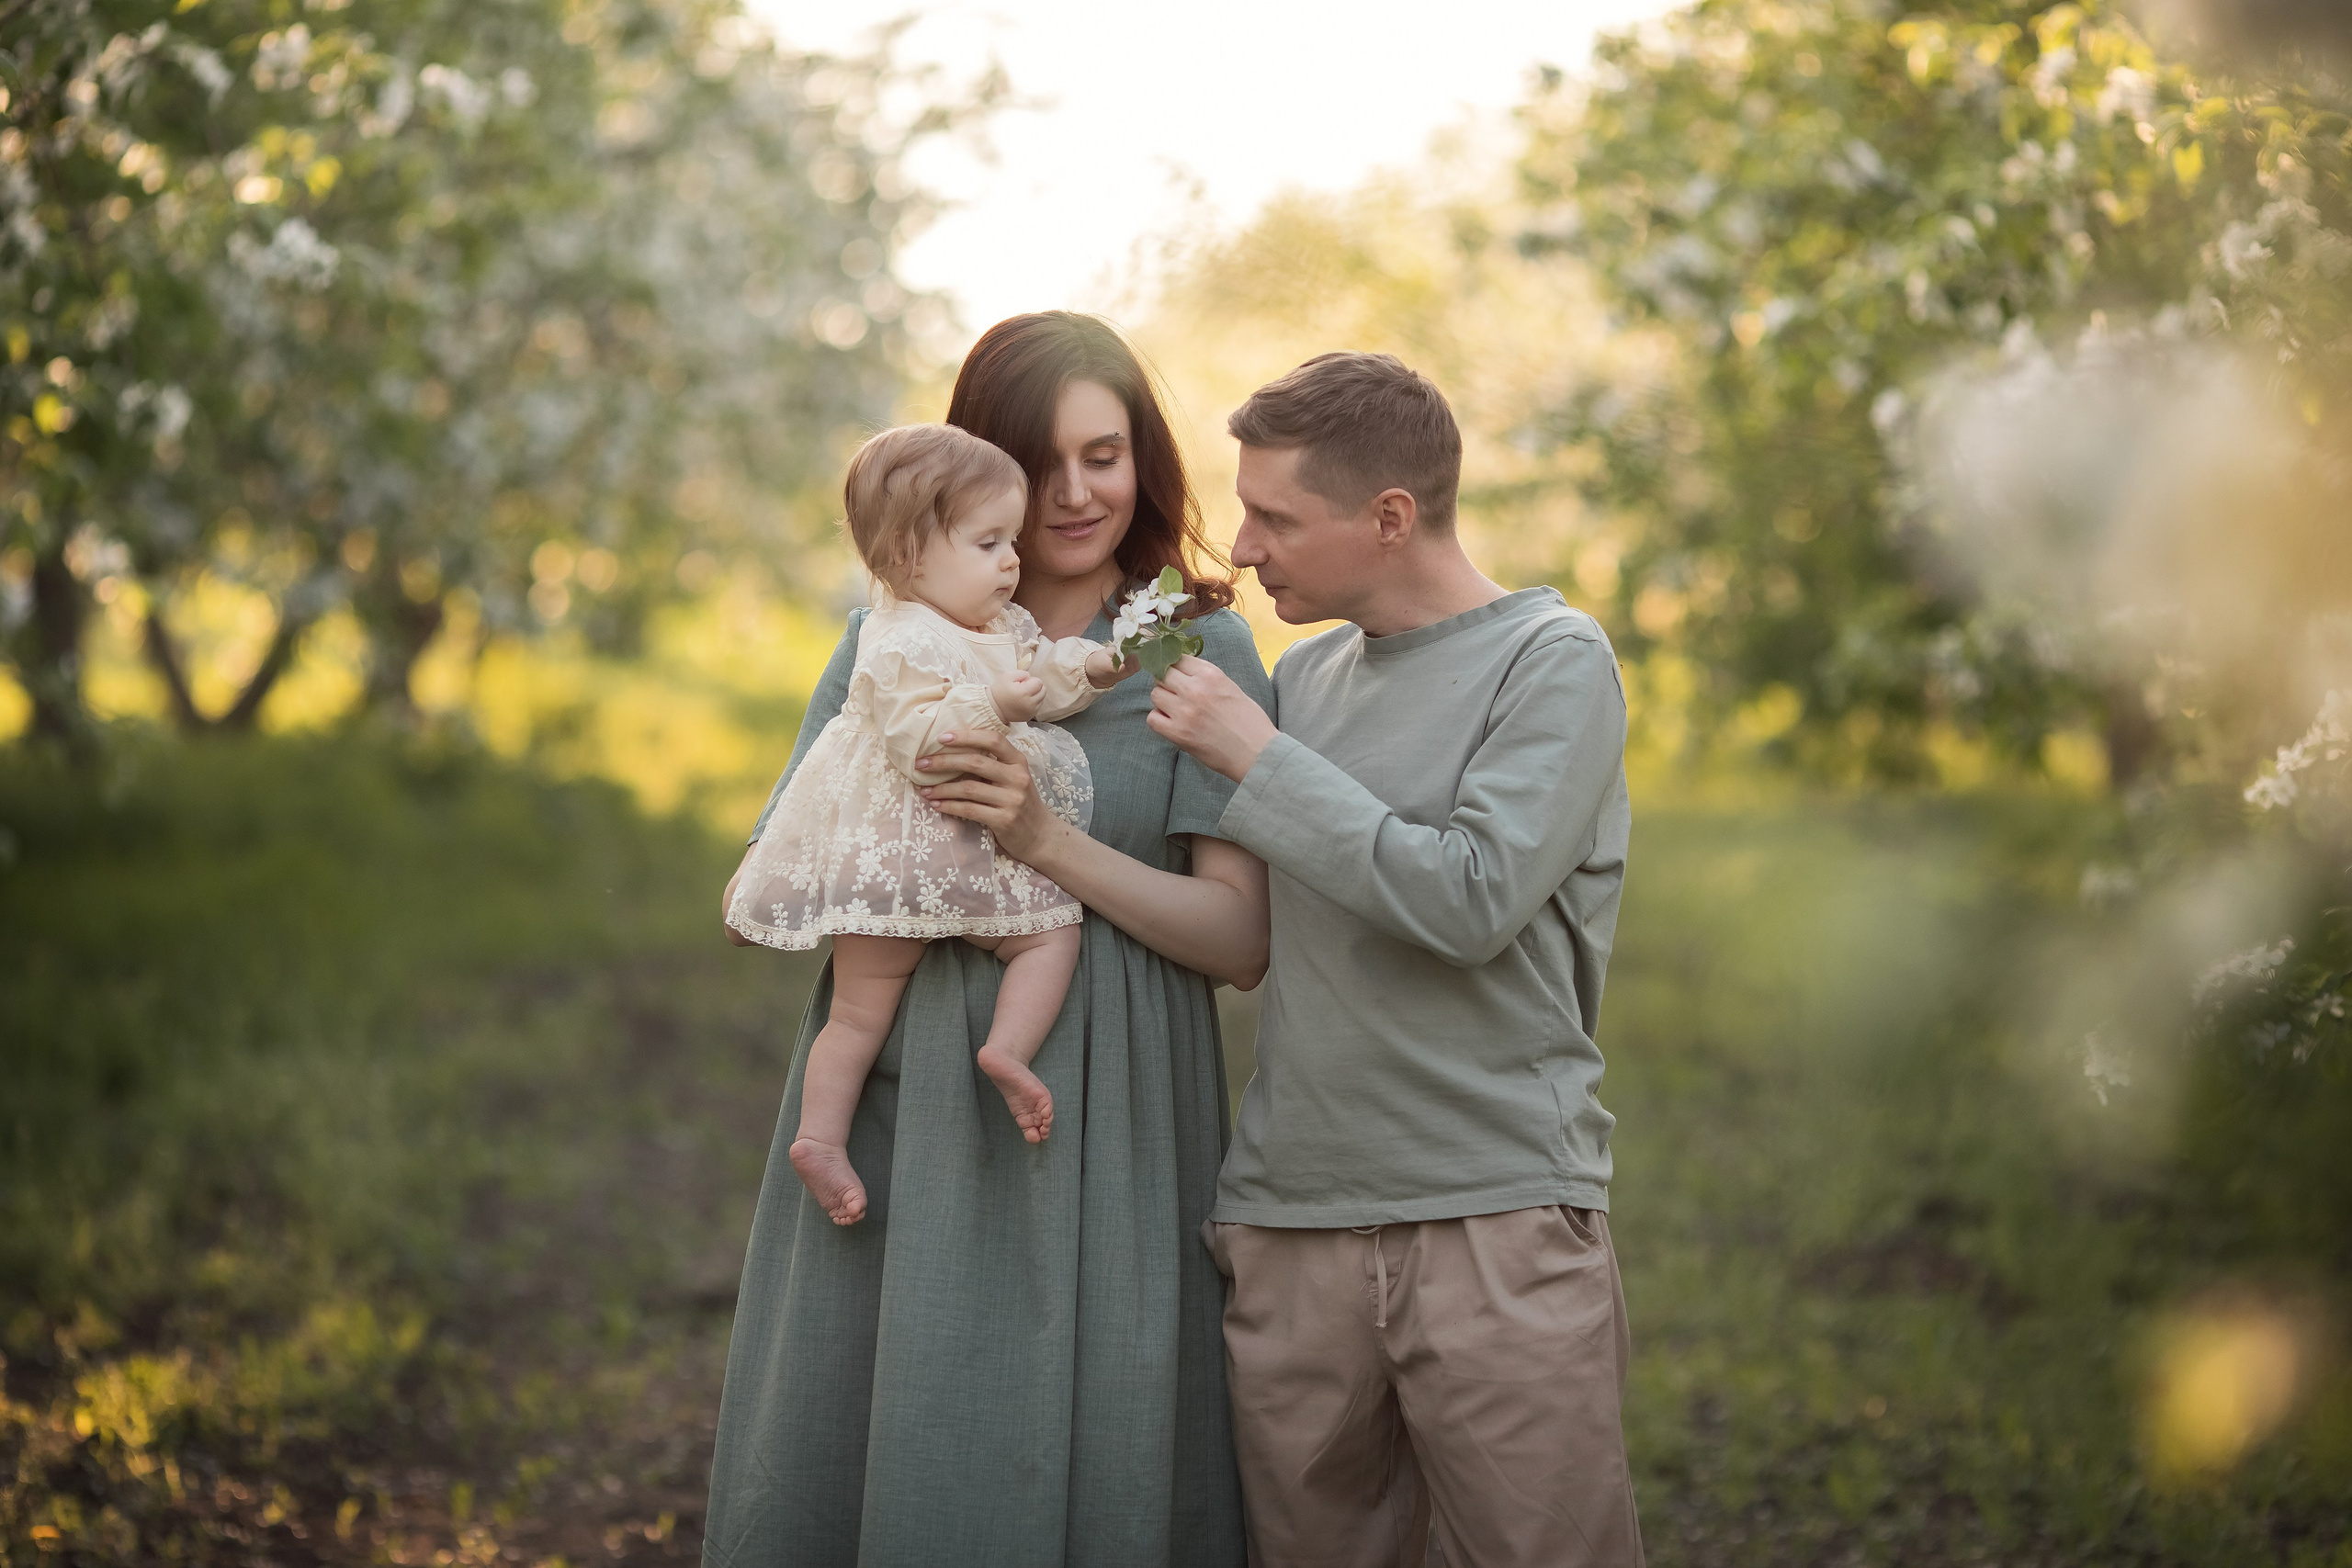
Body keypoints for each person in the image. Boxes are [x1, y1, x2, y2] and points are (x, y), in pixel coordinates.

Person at [702, 313, 1267, 1567]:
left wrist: (1043, 839)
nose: (1074, 495)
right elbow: (796, 848)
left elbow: (1239, 941)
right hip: (908, 1092)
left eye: (1103, 455)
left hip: (1113, 1103)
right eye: (1038, 462)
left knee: (1106, 1432)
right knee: (900, 1427)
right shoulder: (888, 638)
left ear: (1142, 457)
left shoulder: (1188, 642)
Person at [1145, 352, 1645, 1567]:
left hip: (1493, 1217)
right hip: (1290, 1223)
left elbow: (1471, 898)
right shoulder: (1300, 680)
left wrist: (1259, 760)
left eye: (1276, 518)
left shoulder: (1552, 658)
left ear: (1389, 516)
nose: (1245, 548)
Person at [728, 423, 1144, 1224]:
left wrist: (1089, 667)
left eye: (1011, 540)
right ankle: (820, 1136)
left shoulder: (1000, 627)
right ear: (909, 555)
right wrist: (993, 703)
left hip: (953, 857)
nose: (1012, 561)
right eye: (988, 543)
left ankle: (1004, 1050)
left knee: (1041, 938)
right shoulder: (897, 638)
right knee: (871, 1006)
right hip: (901, 857)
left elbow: (1042, 675)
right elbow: (920, 746)